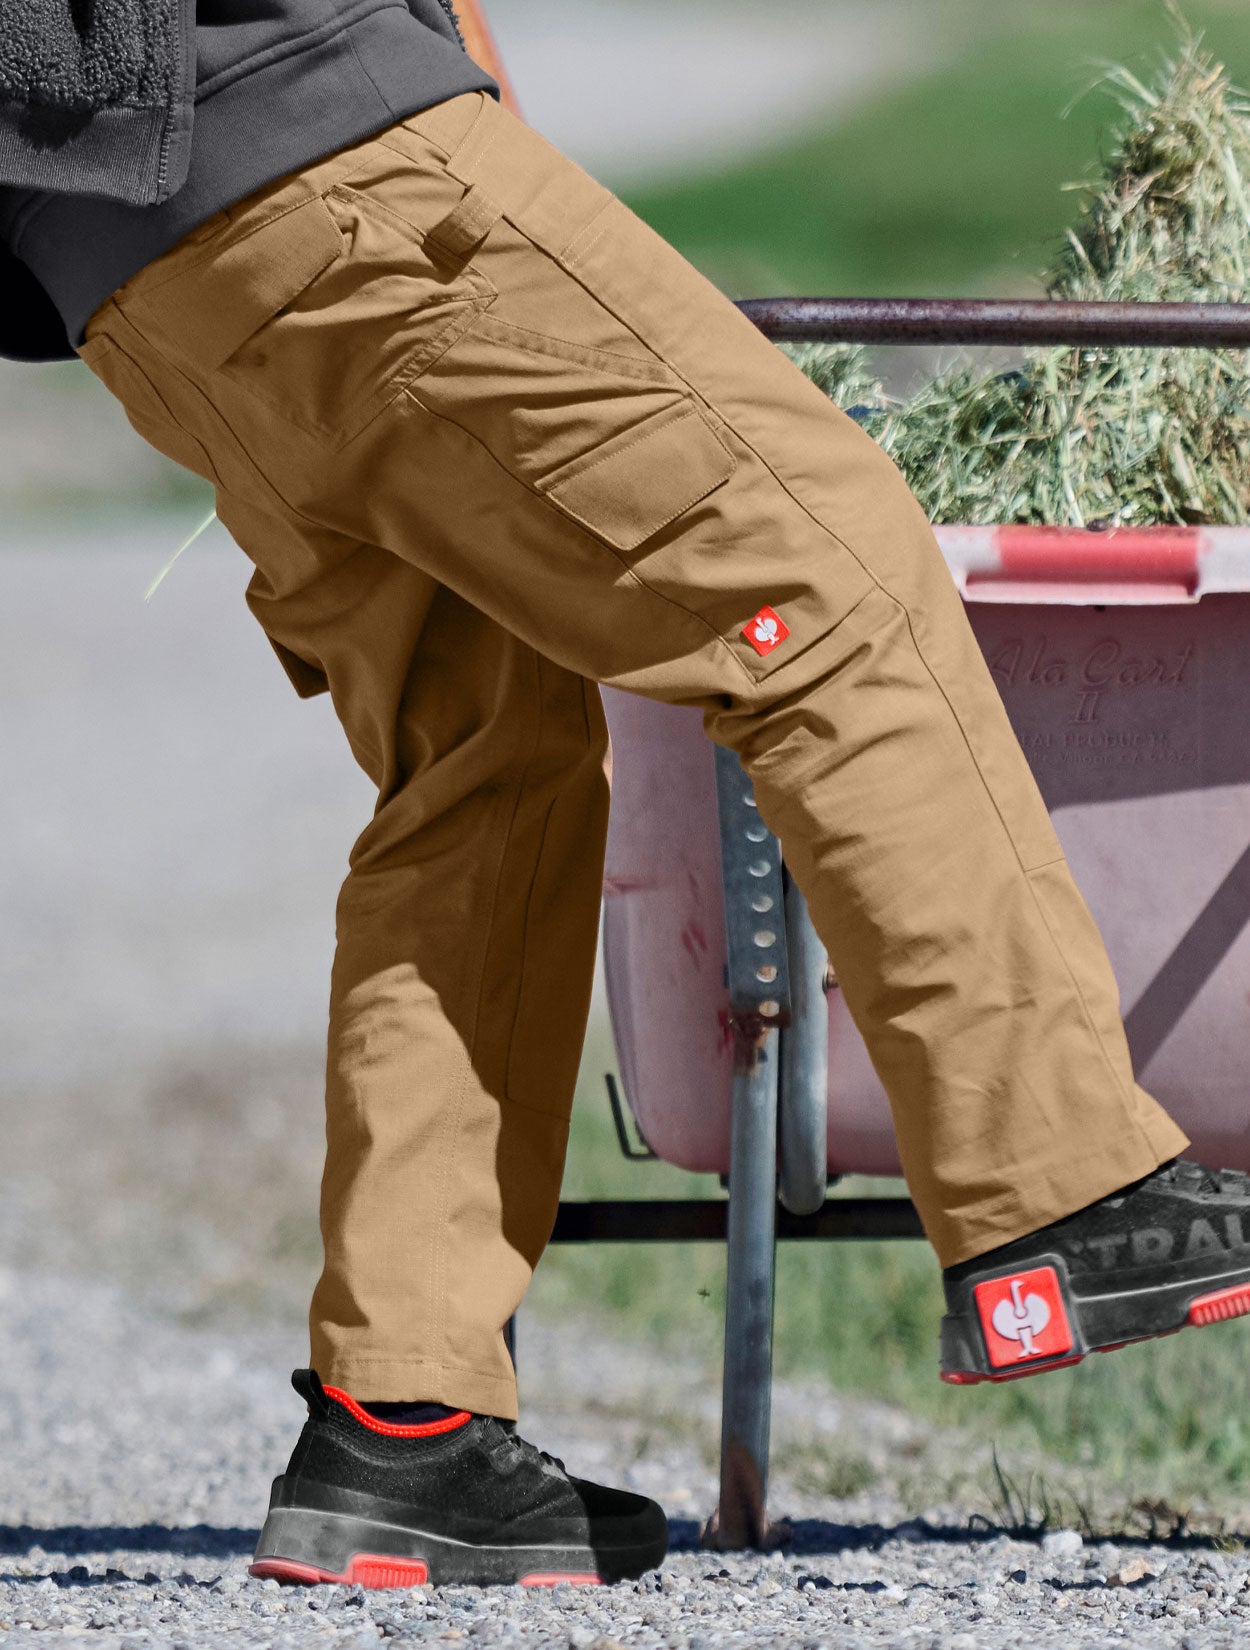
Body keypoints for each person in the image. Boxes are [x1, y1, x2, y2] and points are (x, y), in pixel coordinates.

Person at [4, 0, 1249, 1591]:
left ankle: (408, 1416)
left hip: (133, 255)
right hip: (316, 146)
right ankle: (1058, 1192)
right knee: (821, 561)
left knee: (484, 748)